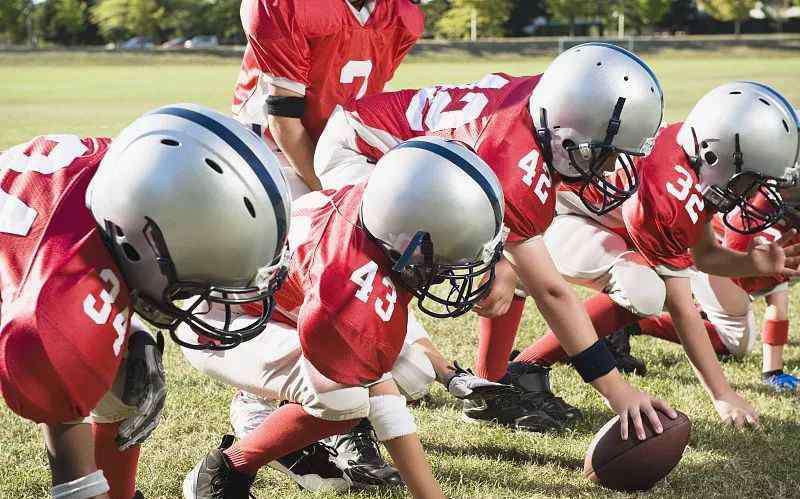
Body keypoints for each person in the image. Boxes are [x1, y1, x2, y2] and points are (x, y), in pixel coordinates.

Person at [312, 42, 676, 436]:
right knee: (387, 285)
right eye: (604, 155)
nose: (607, 170)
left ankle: (494, 379)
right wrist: (615, 389)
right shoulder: (512, 157)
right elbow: (552, 293)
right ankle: (341, 414)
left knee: (502, 269)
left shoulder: (549, 107)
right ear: (568, 127)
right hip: (362, 153)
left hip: (425, 163)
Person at [180, 137, 506, 499]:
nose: (454, 266)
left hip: (281, 312)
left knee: (412, 371)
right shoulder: (349, 271)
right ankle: (227, 468)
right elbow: (381, 393)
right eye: (450, 251)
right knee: (344, 398)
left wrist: (447, 372)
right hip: (220, 323)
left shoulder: (382, 212)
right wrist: (430, 494)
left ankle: (281, 416)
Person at [0, 104, 291, 499]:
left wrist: (129, 329)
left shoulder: (131, 176)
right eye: (198, 283)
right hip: (38, 286)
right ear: (146, 244)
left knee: (131, 379)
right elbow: (72, 481)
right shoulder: (53, 309)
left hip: (51, 255)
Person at [517, 81, 800, 427]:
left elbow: (705, 255)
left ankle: (523, 366)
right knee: (645, 289)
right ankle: (524, 368)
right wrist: (722, 394)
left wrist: (749, 263)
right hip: (560, 217)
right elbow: (683, 310)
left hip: (600, 222)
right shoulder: (672, 190)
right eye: (751, 180)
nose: (753, 192)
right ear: (717, 156)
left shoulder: (698, 155)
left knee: (647, 286)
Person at [232, 0, 425, 194]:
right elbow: (283, 120)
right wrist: (328, 195)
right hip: (273, 145)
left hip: (341, 144)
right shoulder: (290, 5)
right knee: (296, 213)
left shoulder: (400, 14)